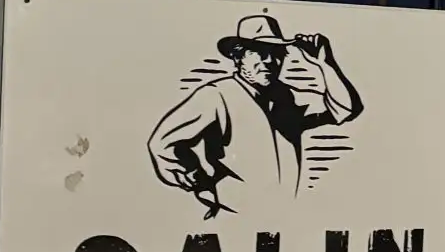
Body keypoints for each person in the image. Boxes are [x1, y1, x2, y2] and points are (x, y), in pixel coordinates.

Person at [147, 14, 362, 217]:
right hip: (233, 217)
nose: (269, 60)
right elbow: (163, 143)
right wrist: (196, 178)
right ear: (238, 56)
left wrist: (325, 63)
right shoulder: (216, 95)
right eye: (258, 52)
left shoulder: (288, 97)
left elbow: (345, 108)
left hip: (284, 219)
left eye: (277, 53)